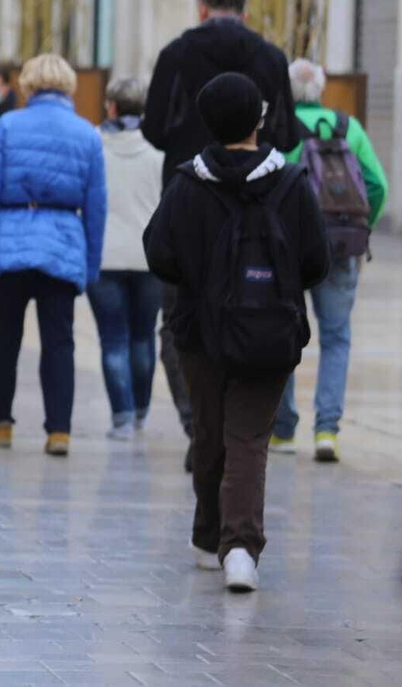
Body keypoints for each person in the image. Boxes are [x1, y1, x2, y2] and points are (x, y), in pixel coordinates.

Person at [144, 72, 329, 593]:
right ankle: (241, 548)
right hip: (268, 333)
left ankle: (208, 539)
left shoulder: (187, 183)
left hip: (199, 333)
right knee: (248, 438)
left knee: (210, 434)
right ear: (260, 119)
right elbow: (317, 260)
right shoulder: (291, 183)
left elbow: (159, 253)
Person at [142, 0, 300, 451]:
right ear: (245, 12)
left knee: (177, 320)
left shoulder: (176, 54)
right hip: (261, 206)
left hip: (191, 199)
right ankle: (246, 423)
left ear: (201, 9)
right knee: (264, 309)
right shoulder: (271, 58)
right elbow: (288, 134)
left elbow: (153, 127)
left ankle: (198, 421)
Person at [0, 54, 107, 457]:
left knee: (5, 337)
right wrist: (90, 262)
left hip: (11, 241)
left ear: (27, 84)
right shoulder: (86, 134)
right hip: (62, 242)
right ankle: (58, 430)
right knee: (59, 340)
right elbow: (96, 205)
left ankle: (1, 422)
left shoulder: (8, 126)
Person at [270, 59, 390, 463]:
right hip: (340, 246)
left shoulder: (281, 131)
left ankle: (284, 431)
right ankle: (327, 431)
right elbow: (377, 185)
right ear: (321, 89)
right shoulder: (348, 127)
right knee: (336, 337)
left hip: (288, 249)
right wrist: (362, 228)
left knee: (284, 336)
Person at [88, 77, 166, 441]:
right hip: (148, 260)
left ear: (112, 108)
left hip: (104, 258)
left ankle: (120, 415)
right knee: (142, 337)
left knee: (113, 340)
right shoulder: (158, 157)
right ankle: (140, 411)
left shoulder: (94, 151)